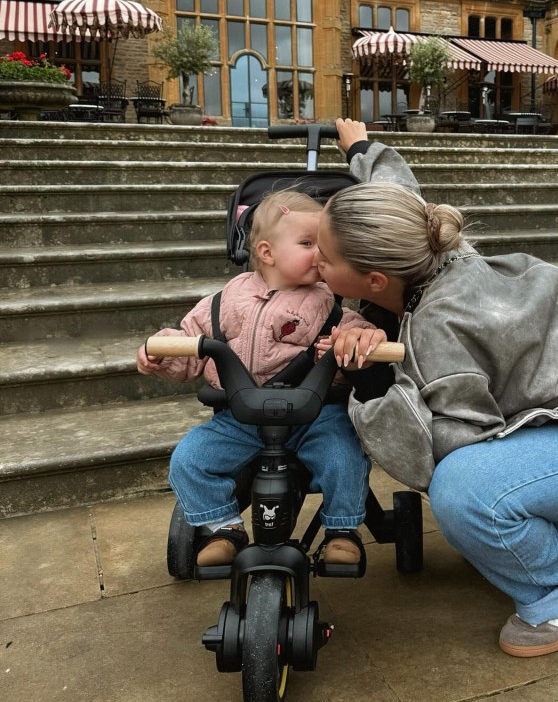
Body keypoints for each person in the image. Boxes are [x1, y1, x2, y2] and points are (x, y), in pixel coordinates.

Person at [313, 118, 558, 658]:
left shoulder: (436, 328)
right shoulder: (434, 246)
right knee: (471, 489)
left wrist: (370, 382)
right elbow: (399, 193)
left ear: (375, 281)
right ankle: (532, 543)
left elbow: (441, 452)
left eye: (324, 256)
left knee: (463, 491)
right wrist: (360, 147)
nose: (313, 259)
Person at [137, 188, 386, 567]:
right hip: (240, 417)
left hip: (313, 413)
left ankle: (341, 529)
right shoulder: (223, 301)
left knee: (343, 455)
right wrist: (163, 351)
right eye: (308, 243)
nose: (320, 254)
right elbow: (191, 346)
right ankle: (223, 528)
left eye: (324, 246)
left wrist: (362, 339)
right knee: (189, 459)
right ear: (267, 252)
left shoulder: (327, 303)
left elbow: (355, 328)